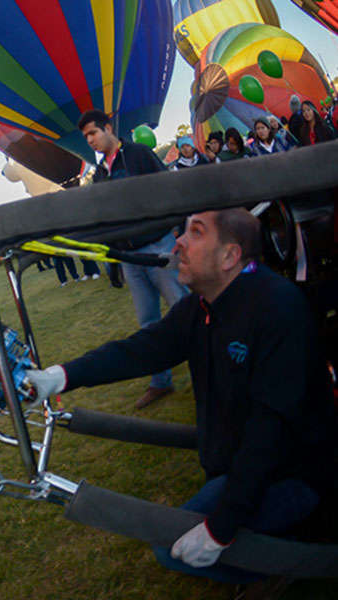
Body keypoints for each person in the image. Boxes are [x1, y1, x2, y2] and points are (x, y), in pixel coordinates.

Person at [25, 209, 337, 590]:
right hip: (238, 463)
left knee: (168, 547)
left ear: (229, 256)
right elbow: (142, 350)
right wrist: (60, 376)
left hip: (292, 473)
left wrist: (221, 529)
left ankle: (286, 565)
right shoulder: (203, 304)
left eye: (195, 232)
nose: (178, 242)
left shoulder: (277, 309)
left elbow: (269, 435)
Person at [79, 109, 189, 408]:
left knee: (184, 308)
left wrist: (180, 230)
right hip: (130, 257)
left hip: (159, 246)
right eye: (86, 136)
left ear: (108, 128)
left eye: (93, 133)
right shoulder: (101, 174)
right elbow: (104, 219)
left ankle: (211, 367)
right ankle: (161, 381)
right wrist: (113, 260)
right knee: (148, 322)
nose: (90, 140)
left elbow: (169, 189)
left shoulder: (138, 154)